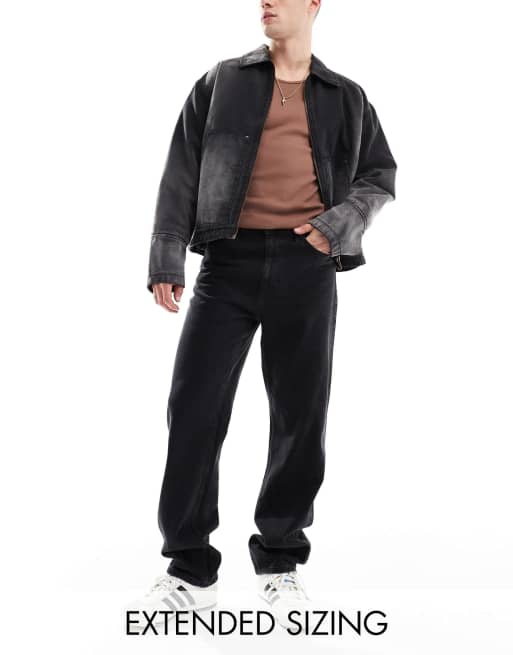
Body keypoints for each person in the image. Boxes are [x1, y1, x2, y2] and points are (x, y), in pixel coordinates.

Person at [131, 0, 397, 632]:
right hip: (227, 264)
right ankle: (189, 568)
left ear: (314, 5)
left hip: (308, 267)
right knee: (194, 408)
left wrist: (336, 226)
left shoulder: (347, 96)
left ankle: (280, 561)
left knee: (300, 414)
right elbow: (181, 171)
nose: (265, 3)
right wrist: (167, 254)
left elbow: (379, 176)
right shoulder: (221, 81)